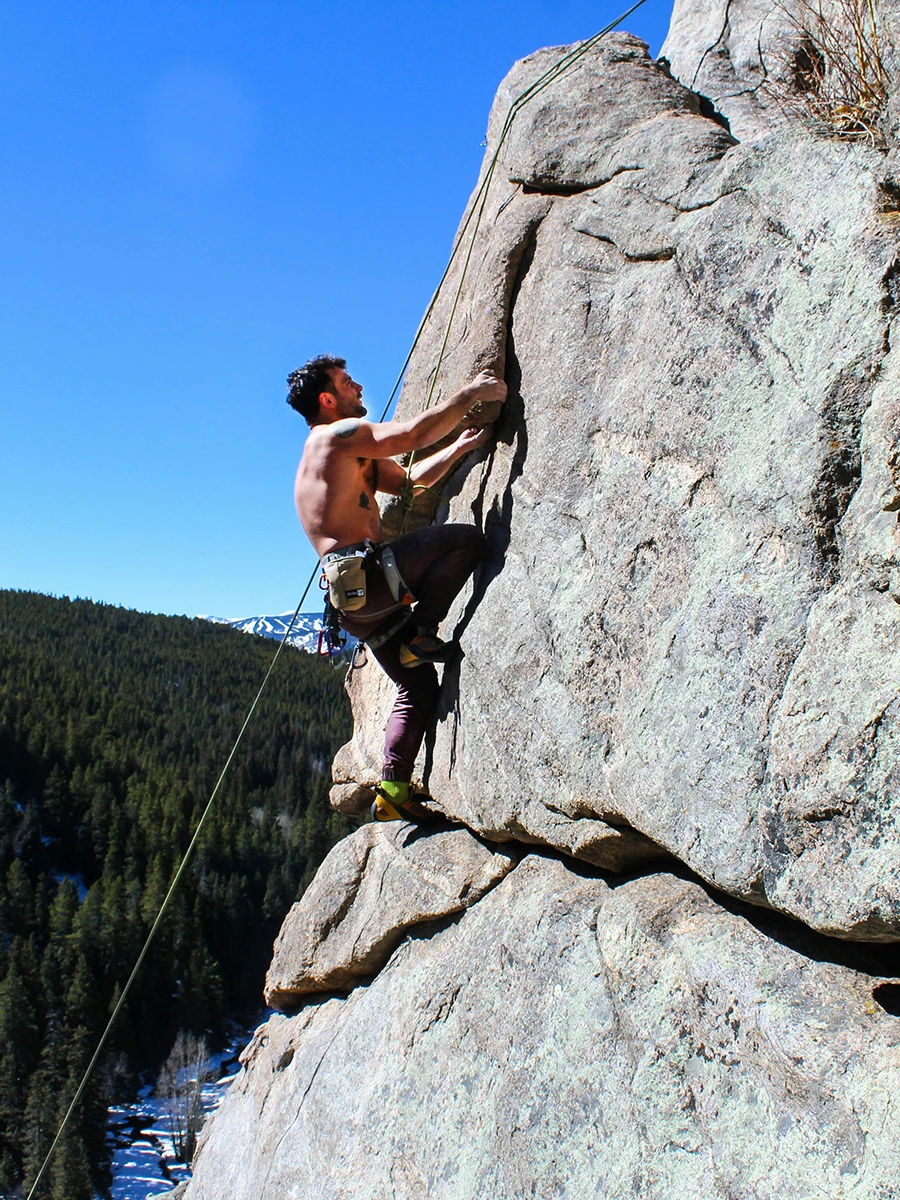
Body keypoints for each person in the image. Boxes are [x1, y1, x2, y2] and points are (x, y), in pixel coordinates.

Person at [288, 354, 506, 822]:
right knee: (466, 542)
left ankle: (393, 791)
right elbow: (408, 437)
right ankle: (423, 631)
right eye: (347, 383)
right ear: (328, 399)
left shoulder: (346, 454)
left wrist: (459, 447)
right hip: (369, 578)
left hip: (356, 603)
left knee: (418, 685)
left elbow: (411, 480)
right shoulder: (332, 438)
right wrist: (472, 394)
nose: (359, 387)